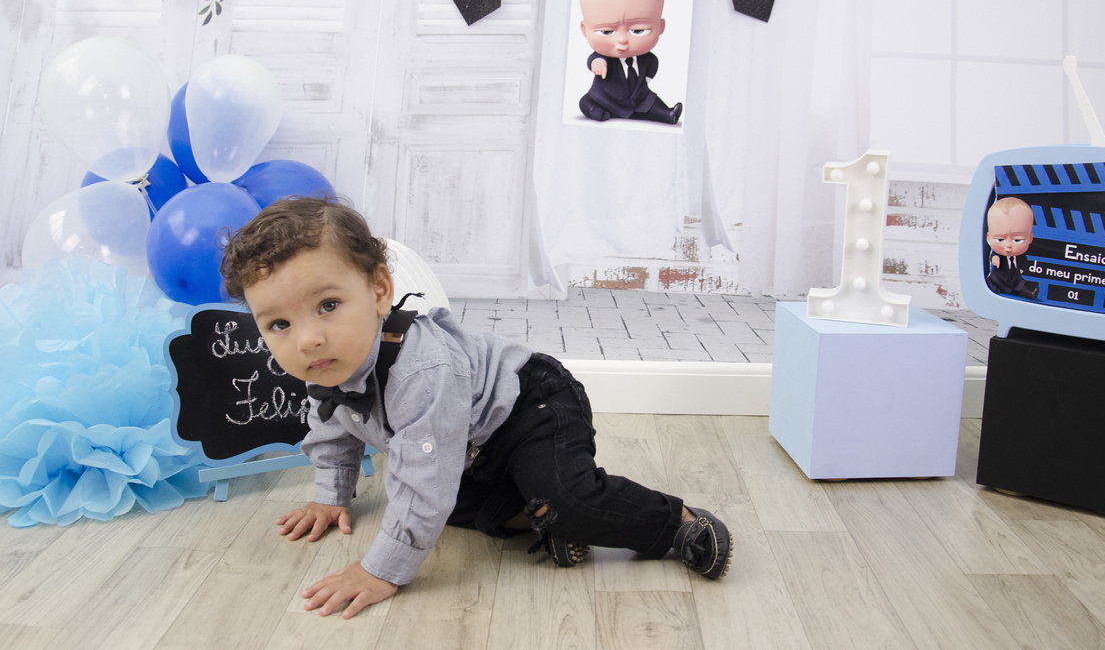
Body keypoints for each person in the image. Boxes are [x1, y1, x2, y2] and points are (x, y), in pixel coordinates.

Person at [219, 196, 731, 619]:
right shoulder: (325, 365)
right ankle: (547, 521)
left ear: (378, 290)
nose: (307, 339)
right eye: (279, 324)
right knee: (437, 503)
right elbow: (333, 429)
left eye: (328, 306)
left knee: (560, 496)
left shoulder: (420, 369)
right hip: (468, 447)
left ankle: (676, 522)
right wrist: (331, 497)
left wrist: (380, 570)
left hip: (529, 405)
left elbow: (426, 484)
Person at [577, 0, 682, 125]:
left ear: (660, 27)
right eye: (606, 31)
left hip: (638, 97)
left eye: (638, 30)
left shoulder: (648, 59)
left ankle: (668, 114)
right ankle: (595, 111)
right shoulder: (603, 57)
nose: (622, 40)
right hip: (606, 99)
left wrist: (642, 86)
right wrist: (597, 63)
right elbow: (595, 59)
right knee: (586, 102)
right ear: (584, 29)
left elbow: (651, 68)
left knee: (651, 101)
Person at [985, 196, 1038, 300]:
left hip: (1015, 280)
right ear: (989, 238)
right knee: (994, 286)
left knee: (1021, 285)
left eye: (1017, 240)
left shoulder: (1020, 257)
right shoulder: (998, 255)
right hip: (999, 280)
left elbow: (1023, 262)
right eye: (1000, 239)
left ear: (1030, 239)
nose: (1008, 245)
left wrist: (1022, 269)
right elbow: (994, 257)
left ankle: (1031, 293)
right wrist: (995, 259)